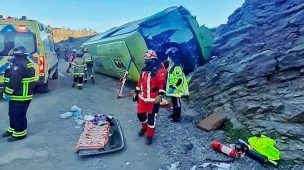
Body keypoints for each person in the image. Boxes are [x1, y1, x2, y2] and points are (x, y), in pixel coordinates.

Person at [133, 50, 167, 145]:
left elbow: (162, 84)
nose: (146, 61)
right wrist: (136, 92)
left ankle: (149, 135)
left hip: (153, 100)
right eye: (145, 59)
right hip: (143, 99)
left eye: (148, 59)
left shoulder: (159, 70)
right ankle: (144, 128)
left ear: (153, 59)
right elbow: (139, 83)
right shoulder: (143, 70)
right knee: (140, 115)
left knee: (151, 119)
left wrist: (160, 95)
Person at [2, 46, 35, 142]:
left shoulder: (18, 65)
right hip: (23, 95)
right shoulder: (26, 63)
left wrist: (7, 92)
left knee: (18, 114)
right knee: (13, 113)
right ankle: (12, 129)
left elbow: (14, 81)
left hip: (19, 95)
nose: (12, 57)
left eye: (13, 55)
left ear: (18, 55)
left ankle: (19, 134)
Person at [165, 47, 189, 122]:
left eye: (169, 55)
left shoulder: (177, 66)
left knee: (177, 103)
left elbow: (179, 79)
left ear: (172, 55)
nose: (168, 57)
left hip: (177, 89)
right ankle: (174, 114)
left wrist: (173, 88)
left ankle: (177, 117)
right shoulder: (172, 65)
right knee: (174, 102)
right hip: (173, 89)